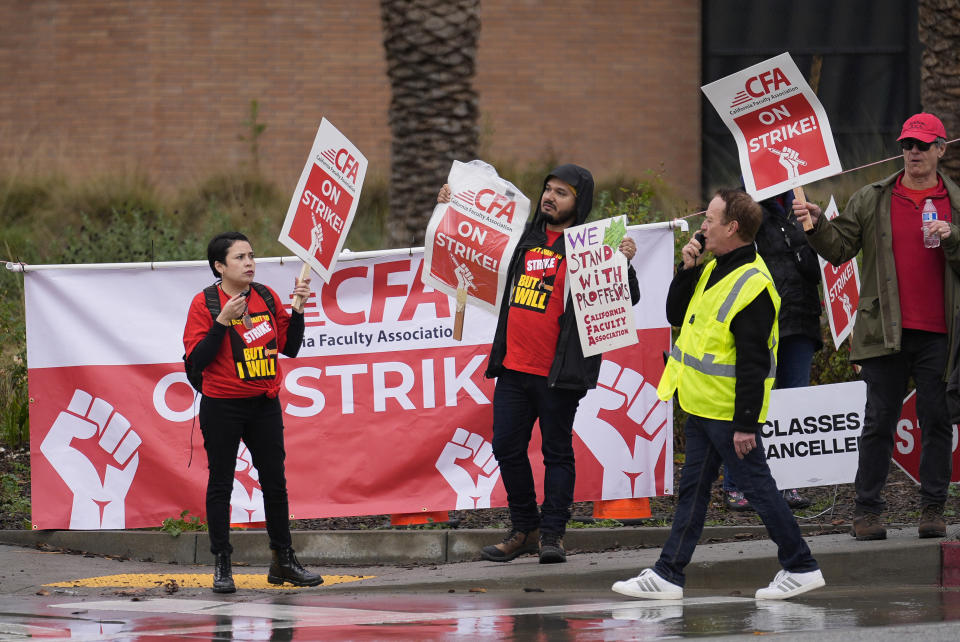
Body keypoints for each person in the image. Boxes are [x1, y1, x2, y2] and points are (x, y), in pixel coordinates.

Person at [612, 189, 824, 600]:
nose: (702, 225)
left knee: (759, 489)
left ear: (733, 227)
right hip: (701, 404)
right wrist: (687, 267)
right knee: (694, 491)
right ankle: (668, 573)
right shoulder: (715, 268)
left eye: (710, 219)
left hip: (728, 414)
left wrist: (746, 423)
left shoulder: (754, 284)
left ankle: (801, 565)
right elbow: (676, 315)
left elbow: (754, 361)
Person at [438, 164, 641, 564]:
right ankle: (524, 529)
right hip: (514, 368)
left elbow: (626, 296)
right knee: (506, 448)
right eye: (548, 189)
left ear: (579, 202)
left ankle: (553, 535)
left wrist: (625, 263)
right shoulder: (522, 236)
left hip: (559, 374)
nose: (550, 197)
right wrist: (451, 208)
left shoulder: (598, 240)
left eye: (561, 193)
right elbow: (471, 242)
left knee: (557, 453)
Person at [793, 112, 960, 541]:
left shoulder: (956, 203)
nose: (914, 152)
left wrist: (952, 237)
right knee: (879, 420)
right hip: (884, 330)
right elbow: (840, 249)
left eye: (923, 145)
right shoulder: (873, 197)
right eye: (907, 144)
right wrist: (815, 224)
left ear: (942, 149)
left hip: (942, 332)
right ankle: (867, 513)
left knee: (937, 419)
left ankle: (933, 509)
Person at [183, 231, 323, 593]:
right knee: (221, 484)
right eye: (239, 258)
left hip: (264, 403)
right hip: (223, 406)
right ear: (219, 266)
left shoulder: (263, 295)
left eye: (251, 255)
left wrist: (298, 309)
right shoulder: (206, 304)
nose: (249, 263)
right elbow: (196, 361)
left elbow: (289, 348)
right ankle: (222, 564)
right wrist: (221, 322)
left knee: (275, 483)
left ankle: (283, 561)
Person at [722, 189, 820, 512]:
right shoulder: (747, 206)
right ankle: (738, 485)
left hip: (801, 318)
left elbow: (816, 263)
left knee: (794, 404)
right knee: (755, 401)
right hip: (763, 320)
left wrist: (816, 228)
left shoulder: (799, 206)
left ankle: (789, 482)